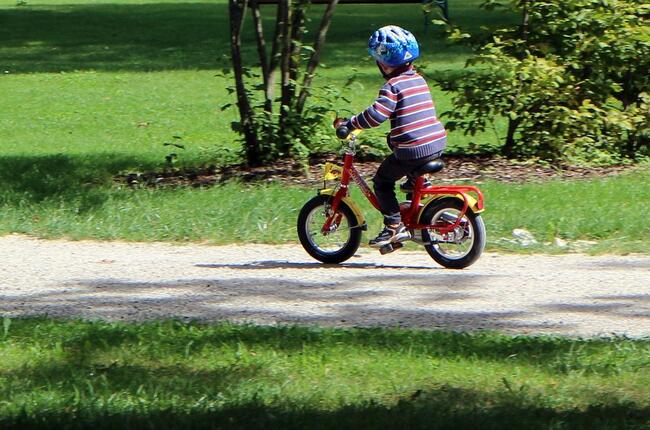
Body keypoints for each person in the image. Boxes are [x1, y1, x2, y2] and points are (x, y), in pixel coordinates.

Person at [337, 25, 447, 248]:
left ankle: (393, 225)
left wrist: (350, 124)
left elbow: (376, 115)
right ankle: (417, 183)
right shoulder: (419, 80)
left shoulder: (392, 86)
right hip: (436, 142)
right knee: (396, 143)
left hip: (414, 150)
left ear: (384, 62)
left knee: (383, 181)